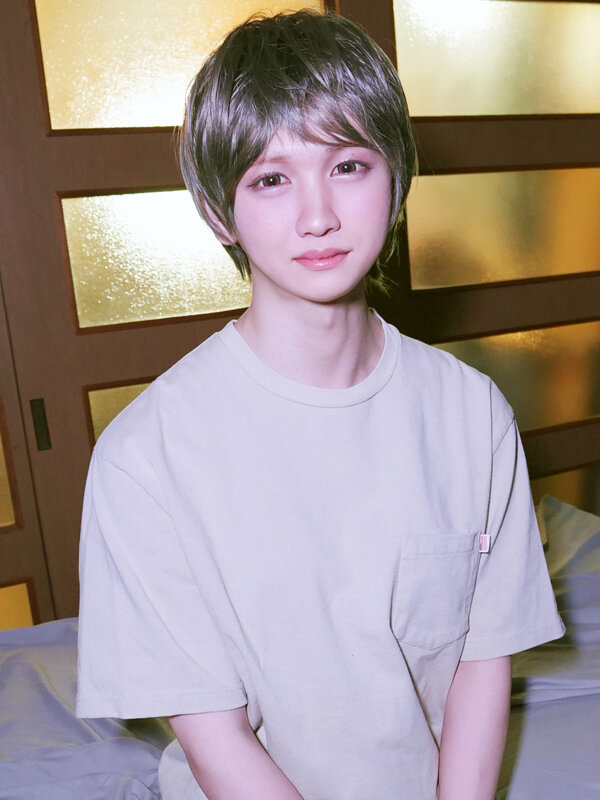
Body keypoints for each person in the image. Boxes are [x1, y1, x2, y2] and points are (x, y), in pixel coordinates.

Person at [76, 10, 565, 800]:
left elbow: (482, 659)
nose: (317, 217)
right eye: (271, 179)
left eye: (348, 165)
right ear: (217, 210)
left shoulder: (471, 414)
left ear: (397, 178)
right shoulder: (146, 458)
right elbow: (216, 741)